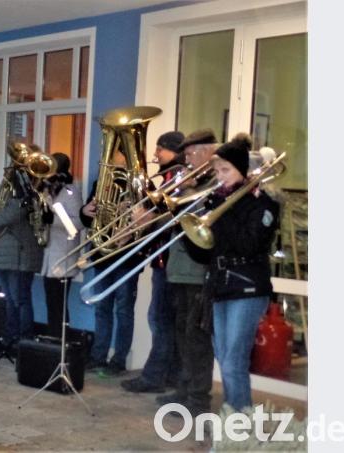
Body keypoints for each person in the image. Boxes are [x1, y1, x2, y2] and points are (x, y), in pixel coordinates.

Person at [201, 133, 280, 412]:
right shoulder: (220, 200)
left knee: (234, 361)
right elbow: (204, 252)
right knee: (224, 358)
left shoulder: (262, 202)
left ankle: (238, 427)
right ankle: (234, 419)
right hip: (221, 286)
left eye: (225, 170)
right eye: (217, 170)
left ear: (243, 171)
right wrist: (191, 230)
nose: (219, 176)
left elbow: (249, 243)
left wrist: (220, 214)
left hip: (248, 288)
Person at [156, 128, 219, 417]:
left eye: (193, 152)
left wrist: (188, 189)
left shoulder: (215, 182)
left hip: (197, 271)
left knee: (196, 338)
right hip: (178, 269)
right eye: (187, 153)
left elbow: (202, 221)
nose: (188, 158)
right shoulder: (188, 181)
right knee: (182, 333)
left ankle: (198, 399)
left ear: (209, 151)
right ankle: (184, 388)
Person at [122, 131, 185, 393]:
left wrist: (146, 220)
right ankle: (170, 374)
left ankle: (155, 376)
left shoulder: (178, 178)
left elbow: (174, 217)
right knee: (163, 319)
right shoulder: (166, 178)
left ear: (173, 151)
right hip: (163, 259)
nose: (156, 154)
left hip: (170, 260)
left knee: (159, 318)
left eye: (160, 149)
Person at [80, 149, 144, 378]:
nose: (115, 167)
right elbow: (88, 217)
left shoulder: (140, 186)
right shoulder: (101, 183)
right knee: (101, 308)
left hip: (127, 258)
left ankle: (119, 360)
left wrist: (131, 216)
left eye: (119, 163)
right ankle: (98, 356)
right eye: (112, 162)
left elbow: (150, 221)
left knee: (124, 310)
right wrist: (85, 211)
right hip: (103, 255)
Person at [0, 166, 44, 348]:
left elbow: (0, 219)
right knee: (11, 300)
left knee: (19, 299)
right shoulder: (14, 198)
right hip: (8, 256)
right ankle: (12, 338)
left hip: (19, 256)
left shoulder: (23, 199)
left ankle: (24, 340)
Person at [38, 153, 84, 337]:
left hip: (64, 256)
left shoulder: (71, 191)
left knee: (58, 303)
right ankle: (53, 338)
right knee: (51, 301)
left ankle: (59, 340)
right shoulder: (48, 189)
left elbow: (76, 225)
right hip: (51, 255)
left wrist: (52, 218)